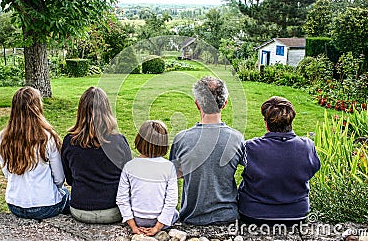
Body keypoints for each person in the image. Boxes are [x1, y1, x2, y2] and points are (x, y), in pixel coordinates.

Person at [169, 76, 246, 225]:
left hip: (192, 217)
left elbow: (175, 174)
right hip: (228, 217)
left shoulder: (181, 139)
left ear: (197, 104)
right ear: (224, 104)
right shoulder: (237, 138)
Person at [238, 96, 321, 226]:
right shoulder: (307, 146)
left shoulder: (250, 147)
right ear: (290, 121)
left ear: (266, 123)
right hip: (296, 214)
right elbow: (313, 169)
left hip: (254, 214)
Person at [0, 86, 70, 220]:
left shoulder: (3, 137)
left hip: (14, 204)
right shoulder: (48, 137)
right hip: (45, 205)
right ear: (37, 107)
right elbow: (59, 179)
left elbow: (7, 173)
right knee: (67, 196)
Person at [61, 86, 132, 224]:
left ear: (81, 111)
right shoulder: (118, 141)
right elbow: (128, 176)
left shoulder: (70, 141)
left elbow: (69, 179)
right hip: (114, 209)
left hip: (79, 208)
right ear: (107, 110)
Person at [116, 120, 178, 236]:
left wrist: (133, 226)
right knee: (175, 213)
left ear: (139, 140)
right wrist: (157, 228)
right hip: (159, 220)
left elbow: (121, 199)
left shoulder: (129, 166)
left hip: (136, 219)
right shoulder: (168, 167)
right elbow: (171, 201)